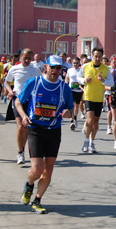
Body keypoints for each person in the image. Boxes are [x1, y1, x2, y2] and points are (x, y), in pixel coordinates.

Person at [17, 55, 74, 214]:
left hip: (54, 131)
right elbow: (18, 102)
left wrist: (68, 113)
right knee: (37, 169)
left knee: (48, 170)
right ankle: (29, 185)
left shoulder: (64, 88)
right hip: (35, 129)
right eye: (53, 67)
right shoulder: (34, 83)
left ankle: (37, 200)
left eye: (59, 68)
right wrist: (23, 116)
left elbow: (70, 108)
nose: (55, 71)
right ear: (46, 67)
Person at [4, 48, 43, 165]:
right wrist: (10, 91)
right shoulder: (14, 69)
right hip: (18, 100)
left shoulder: (35, 70)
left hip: (31, 100)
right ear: (20, 57)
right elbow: (7, 81)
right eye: (25, 58)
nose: (27, 60)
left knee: (26, 127)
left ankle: (23, 150)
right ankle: (20, 152)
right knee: (20, 126)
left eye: (29, 58)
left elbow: (40, 82)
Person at [77, 47, 114, 153]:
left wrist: (103, 80)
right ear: (92, 56)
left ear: (102, 57)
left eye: (99, 56)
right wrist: (84, 80)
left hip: (99, 98)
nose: (97, 58)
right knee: (90, 119)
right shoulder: (85, 66)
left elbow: (111, 83)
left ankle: (92, 142)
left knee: (96, 121)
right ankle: (86, 140)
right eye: (95, 56)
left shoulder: (106, 69)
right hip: (88, 96)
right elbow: (78, 78)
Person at [65, 57, 83, 131]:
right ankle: (71, 121)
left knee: (76, 106)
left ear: (79, 64)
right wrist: (66, 85)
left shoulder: (81, 70)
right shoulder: (69, 70)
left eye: (77, 63)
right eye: (74, 63)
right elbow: (67, 78)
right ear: (72, 63)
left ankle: (75, 118)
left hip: (78, 90)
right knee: (71, 105)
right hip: (71, 89)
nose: (75, 64)